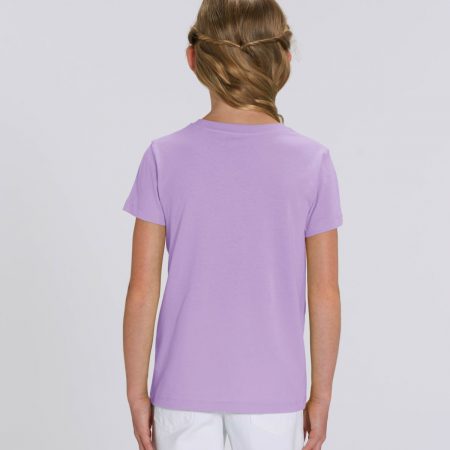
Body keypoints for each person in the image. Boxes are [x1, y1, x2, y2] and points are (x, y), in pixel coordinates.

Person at [122, 1, 343, 449]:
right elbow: (324, 292)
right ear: (285, 60)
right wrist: (321, 394)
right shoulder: (311, 162)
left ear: (194, 59)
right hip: (273, 393)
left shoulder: (164, 158)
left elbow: (143, 289)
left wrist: (136, 391)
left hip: (181, 390)